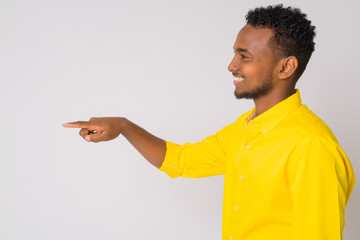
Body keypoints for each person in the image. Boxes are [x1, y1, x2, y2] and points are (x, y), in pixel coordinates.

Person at [63, 4, 355, 240]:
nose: (231, 65)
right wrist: (125, 126)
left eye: (244, 56)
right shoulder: (245, 128)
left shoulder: (312, 146)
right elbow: (184, 161)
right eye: (234, 53)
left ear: (285, 67)